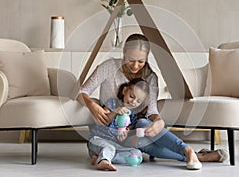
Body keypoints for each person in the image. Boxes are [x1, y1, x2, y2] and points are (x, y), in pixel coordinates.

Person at [80, 33, 228, 170]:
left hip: (132, 131)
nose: (135, 65)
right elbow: (82, 91)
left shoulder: (150, 77)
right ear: (124, 52)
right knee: (139, 139)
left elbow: (151, 111)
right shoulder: (109, 67)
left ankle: (188, 151)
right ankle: (197, 155)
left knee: (143, 125)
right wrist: (92, 105)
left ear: (147, 58)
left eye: (141, 61)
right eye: (131, 60)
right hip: (108, 129)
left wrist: (159, 122)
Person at [87, 78, 149, 171]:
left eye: (138, 101)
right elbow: (105, 119)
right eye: (132, 96)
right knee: (109, 147)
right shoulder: (112, 103)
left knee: (136, 153)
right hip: (97, 139)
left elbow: (124, 133)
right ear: (125, 91)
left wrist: (123, 137)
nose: (133, 102)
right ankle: (103, 161)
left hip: (113, 144)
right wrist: (116, 111)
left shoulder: (133, 116)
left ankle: (100, 157)